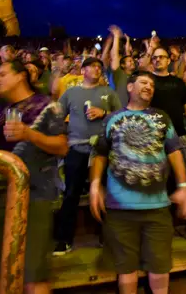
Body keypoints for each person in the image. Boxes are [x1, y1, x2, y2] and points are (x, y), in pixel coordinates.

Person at [89, 71, 186, 294]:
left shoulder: (162, 117)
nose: (149, 87)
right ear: (129, 87)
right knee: (126, 272)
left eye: (152, 85)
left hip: (157, 208)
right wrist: (95, 184)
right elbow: (100, 154)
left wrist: (184, 186)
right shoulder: (112, 118)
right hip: (120, 210)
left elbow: (174, 152)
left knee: (160, 270)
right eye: (143, 82)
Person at [0, 60, 68, 293]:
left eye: (2, 74)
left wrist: (29, 134)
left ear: (21, 76)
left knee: (32, 272)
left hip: (35, 195)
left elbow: (62, 146)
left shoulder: (48, 106)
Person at [54, 56, 120, 255]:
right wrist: (61, 139)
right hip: (77, 148)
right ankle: (64, 239)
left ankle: (106, 236)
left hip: (102, 150)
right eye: (92, 66)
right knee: (71, 194)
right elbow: (58, 116)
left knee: (107, 193)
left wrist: (104, 113)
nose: (97, 69)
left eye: (99, 66)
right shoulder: (71, 93)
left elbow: (121, 115)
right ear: (82, 71)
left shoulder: (108, 93)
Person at [149, 46, 186, 240]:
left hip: (180, 134)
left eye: (161, 57)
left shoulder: (177, 83)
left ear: (168, 60)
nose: (158, 60)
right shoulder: (147, 82)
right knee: (158, 180)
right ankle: (160, 224)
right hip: (154, 137)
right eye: (154, 58)